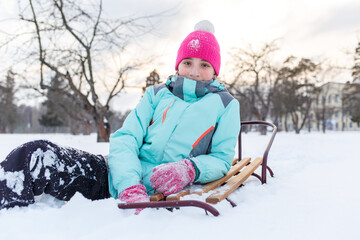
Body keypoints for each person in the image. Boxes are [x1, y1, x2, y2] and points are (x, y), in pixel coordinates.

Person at [0, 20, 240, 214]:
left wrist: (190, 168)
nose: (194, 72)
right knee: (35, 154)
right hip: (114, 173)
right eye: (187, 62)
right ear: (178, 65)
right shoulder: (156, 94)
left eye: (204, 64)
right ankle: (11, 219)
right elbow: (126, 138)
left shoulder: (225, 105)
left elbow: (221, 158)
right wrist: (129, 184)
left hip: (157, 187)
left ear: (215, 70)